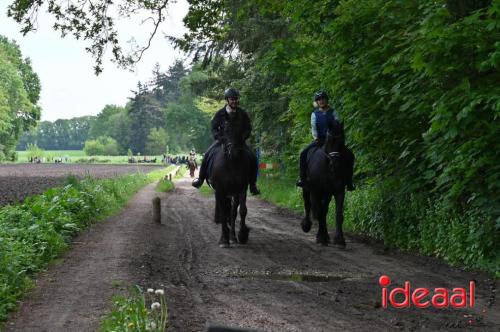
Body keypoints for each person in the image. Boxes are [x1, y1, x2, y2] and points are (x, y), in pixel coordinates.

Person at [192, 88, 260, 195]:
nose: (234, 101)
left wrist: (243, 137)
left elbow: (248, 128)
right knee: (207, 154)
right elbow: (214, 128)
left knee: (253, 158)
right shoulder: (220, 113)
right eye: (232, 99)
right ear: (227, 100)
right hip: (222, 141)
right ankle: (200, 179)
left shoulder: (242, 114)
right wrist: (219, 137)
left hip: (239, 142)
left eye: (236, 99)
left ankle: (252, 184)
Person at [296, 90, 355, 191]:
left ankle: (349, 181)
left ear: (326, 100)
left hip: (333, 141)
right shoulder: (314, 115)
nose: (321, 101)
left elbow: (337, 126)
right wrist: (316, 138)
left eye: (323, 99)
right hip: (320, 140)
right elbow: (314, 129)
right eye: (319, 100)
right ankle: (303, 179)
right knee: (303, 154)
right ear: (317, 102)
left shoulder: (334, 112)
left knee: (350, 155)